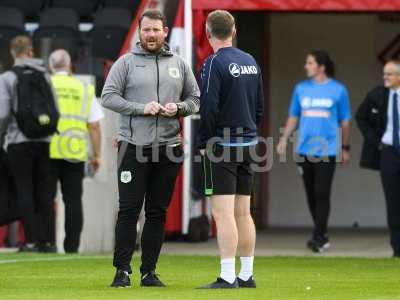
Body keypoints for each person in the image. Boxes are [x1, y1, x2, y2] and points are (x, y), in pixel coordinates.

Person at [101, 10, 200, 288]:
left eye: (156, 30)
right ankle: (122, 271)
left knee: (157, 212)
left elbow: (195, 99)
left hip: (168, 148)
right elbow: (108, 97)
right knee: (129, 211)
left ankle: (149, 272)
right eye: (146, 30)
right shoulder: (126, 63)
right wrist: (141, 109)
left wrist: (179, 108)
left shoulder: (179, 64)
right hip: (132, 147)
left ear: (165, 31)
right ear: (140, 32)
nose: (151, 35)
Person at [197, 10, 264, 289]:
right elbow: (259, 104)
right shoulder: (250, 61)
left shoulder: (213, 63)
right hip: (249, 143)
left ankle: (227, 276)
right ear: (234, 30)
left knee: (222, 213)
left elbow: (208, 107)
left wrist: (204, 142)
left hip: (222, 146)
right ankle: (246, 275)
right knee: (243, 213)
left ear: (207, 32)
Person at [276, 50, 351, 253]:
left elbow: (345, 122)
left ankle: (319, 236)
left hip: (328, 149)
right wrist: (284, 139)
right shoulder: (300, 89)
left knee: (321, 193)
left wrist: (345, 147)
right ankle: (322, 233)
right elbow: (294, 117)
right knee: (311, 194)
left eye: (309, 63)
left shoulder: (338, 90)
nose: (306, 66)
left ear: (321, 67)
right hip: (304, 149)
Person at [0, 35, 58, 252]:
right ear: (31, 52)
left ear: (13, 53)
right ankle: (49, 241)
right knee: (44, 190)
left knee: (24, 189)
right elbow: (55, 109)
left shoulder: (7, 77)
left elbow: (3, 114)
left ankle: (32, 241)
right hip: (44, 140)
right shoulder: (45, 75)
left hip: (19, 141)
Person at [48, 49, 103, 253]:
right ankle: (71, 247)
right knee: (72, 201)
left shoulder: (46, 85)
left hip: (49, 149)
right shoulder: (84, 88)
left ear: (51, 66)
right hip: (75, 151)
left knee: (46, 199)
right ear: (70, 66)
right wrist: (97, 155)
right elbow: (95, 125)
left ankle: (47, 244)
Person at [356, 59, 400, 257]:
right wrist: (376, 140)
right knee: (393, 202)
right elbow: (360, 116)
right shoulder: (378, 95)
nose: (385, 78)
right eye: (384, 74)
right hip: (389, 152)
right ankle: (397, 249)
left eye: (389, 74)